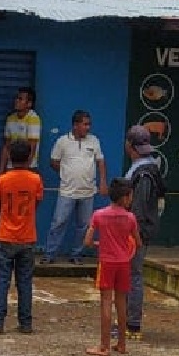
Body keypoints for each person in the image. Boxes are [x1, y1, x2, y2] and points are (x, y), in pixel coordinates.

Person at [0, 140, 43, 335]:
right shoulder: (35, 180)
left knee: (2, 280)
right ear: (29, 157)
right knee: (25, 282)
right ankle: (25, 323)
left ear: (10, 156)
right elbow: (37, 202)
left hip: (5, 235)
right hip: (27, 237)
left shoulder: (2, 180)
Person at [84, 178, 142, 356]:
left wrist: (98, 244)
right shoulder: (130, 217)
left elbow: (86, 242)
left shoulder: (99, 215)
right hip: (124, 263)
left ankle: (104, 346)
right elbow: (138, 243)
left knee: (106, 303)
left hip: (106, 263)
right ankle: (122, 344)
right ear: (125, 198)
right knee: (121, 303)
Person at [42, 110, 108, 265]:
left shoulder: (94, 141)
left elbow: (100, 162)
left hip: (88, 191)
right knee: (59, 222)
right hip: (67, 191)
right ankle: (49, 254)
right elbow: (53, 161)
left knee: (84, 225)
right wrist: (66, 172)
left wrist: (103, 182)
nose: (88, 127)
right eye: (85, 124)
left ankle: (76, 255)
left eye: (89, 124)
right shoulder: (62, 141)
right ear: (75, 125)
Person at [121, 125, 167, 340]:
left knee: (134, 275)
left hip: (137, 231)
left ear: (130, 146)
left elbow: (138, 208)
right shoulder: (148, 168)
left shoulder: (144, 173)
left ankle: (132, 324)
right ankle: (127, 321)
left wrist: (133, 234)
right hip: (140, 229)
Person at [0, 87, 42, 175]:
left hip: (28, 167)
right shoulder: (10, 118)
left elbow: (32, 148)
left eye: (20, 99)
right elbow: (6, 146)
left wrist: (23, 172)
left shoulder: (33, 118)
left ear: (29, 103)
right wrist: (1, 172)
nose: (16, 101)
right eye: (16, 98)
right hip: (11, 167)